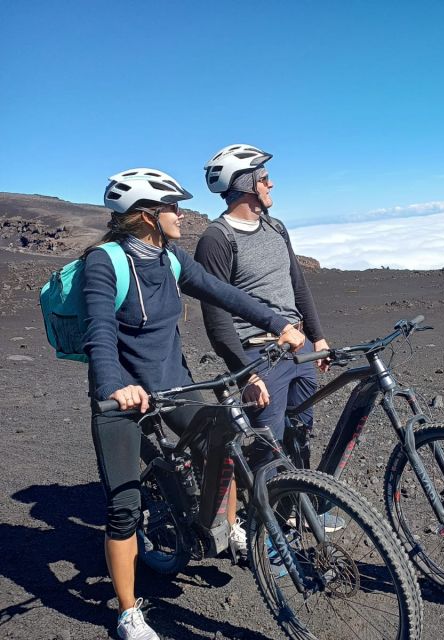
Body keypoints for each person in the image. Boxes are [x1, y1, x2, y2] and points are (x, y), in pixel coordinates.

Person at [85, 168, 303, 640]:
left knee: (222, 437)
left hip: (172, 385)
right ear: (146, 216)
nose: (181, 215)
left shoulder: (170, 257)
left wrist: (277, 322)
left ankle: (227, 529)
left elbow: (222, 292)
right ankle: (128, 612)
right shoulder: (104, 262)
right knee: (123, 504)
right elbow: (99, 332)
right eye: (172, 208)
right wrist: (112, 386)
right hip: (122, 397)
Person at [193, 144, 342, 531]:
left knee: (300, 431)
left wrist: (318, 338)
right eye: (262, 177)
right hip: (259, 356)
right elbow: (216, 315)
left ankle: (297, 507)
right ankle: (267, 527)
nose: (270, 182)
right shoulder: (217, 239)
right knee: (268, 443)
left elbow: (297, 284)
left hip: (299, 348)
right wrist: (245, 373)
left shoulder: (276, 226)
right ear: (244, 184)